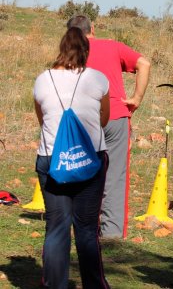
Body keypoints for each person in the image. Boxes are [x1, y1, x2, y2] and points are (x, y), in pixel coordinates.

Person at [33, 27, 111, 288]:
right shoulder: (98, 79)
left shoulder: (43, 79)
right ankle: (95, 284)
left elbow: (42, 118)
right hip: (90, 159)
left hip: (52, 158)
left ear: (61, 48)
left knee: (57, 226)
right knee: (87, 228)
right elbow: (104, 118)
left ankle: (55, 284)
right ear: (86, 51)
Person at [67, 15, 151, 239]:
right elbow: (144, 63)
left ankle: (83, 227)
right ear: (92, 29)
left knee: (81, 172)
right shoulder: (113, 46)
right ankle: (112, 233)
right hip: (114, 115)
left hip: (82, 119)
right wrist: (137, 98)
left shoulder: (69, 52)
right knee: (114, 175)